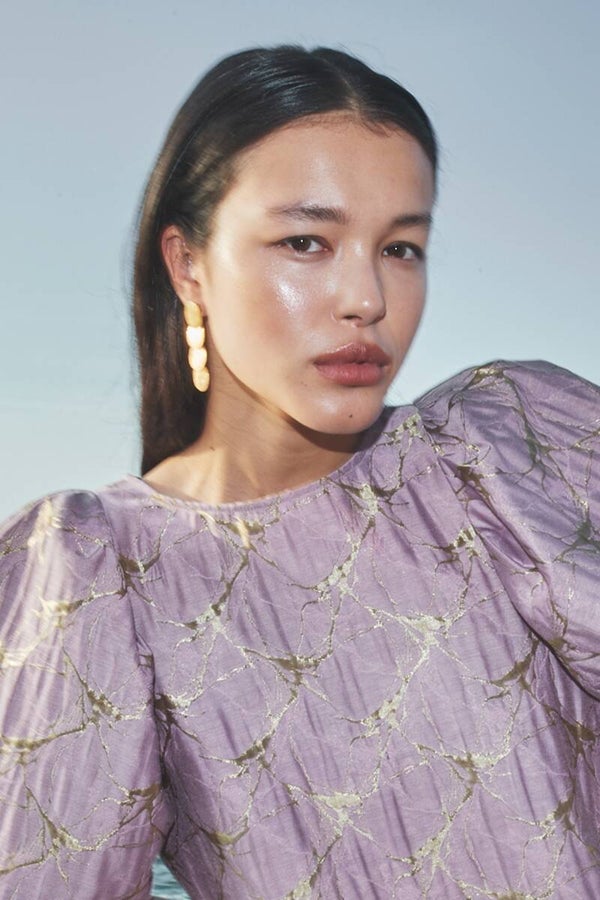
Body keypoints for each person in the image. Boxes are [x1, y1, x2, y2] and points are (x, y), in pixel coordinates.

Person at [0, 44, 598, 900]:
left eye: (401, 248)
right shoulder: (102, 574)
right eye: (306, 242)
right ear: (188, 264)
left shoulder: (504, 451)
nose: (367, 298)